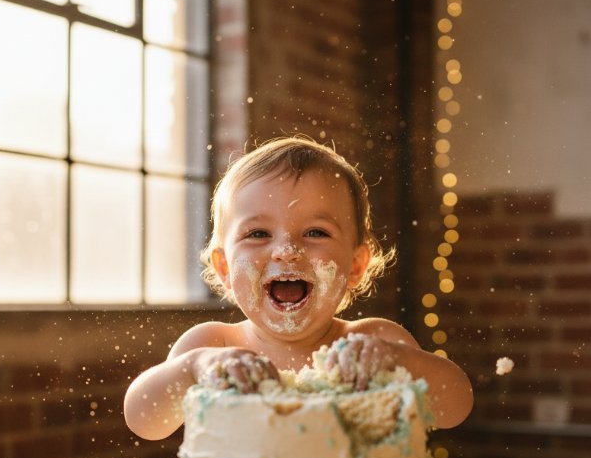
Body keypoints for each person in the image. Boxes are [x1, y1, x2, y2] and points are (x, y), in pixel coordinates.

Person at [124, 137, 474, 440]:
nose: (287, 251)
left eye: (316, 232)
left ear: (355, 266)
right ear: (225, 269)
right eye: (258, 233)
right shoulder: (213, 346)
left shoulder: (376, 343)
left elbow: (455, 407)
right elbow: (143, 421)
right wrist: (192, 369)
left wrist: (399, 362)